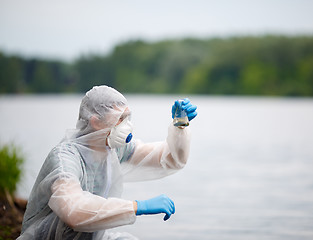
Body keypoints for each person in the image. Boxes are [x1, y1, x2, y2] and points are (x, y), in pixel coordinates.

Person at [18, 85, 198, 240]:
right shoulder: (65, 158)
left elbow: (169, 159)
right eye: (120, 119)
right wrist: (137, 207)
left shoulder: (113, 149)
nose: (127, 125)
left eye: (127, 118)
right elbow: (74, 211)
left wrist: (180, 125)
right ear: (96, 121)